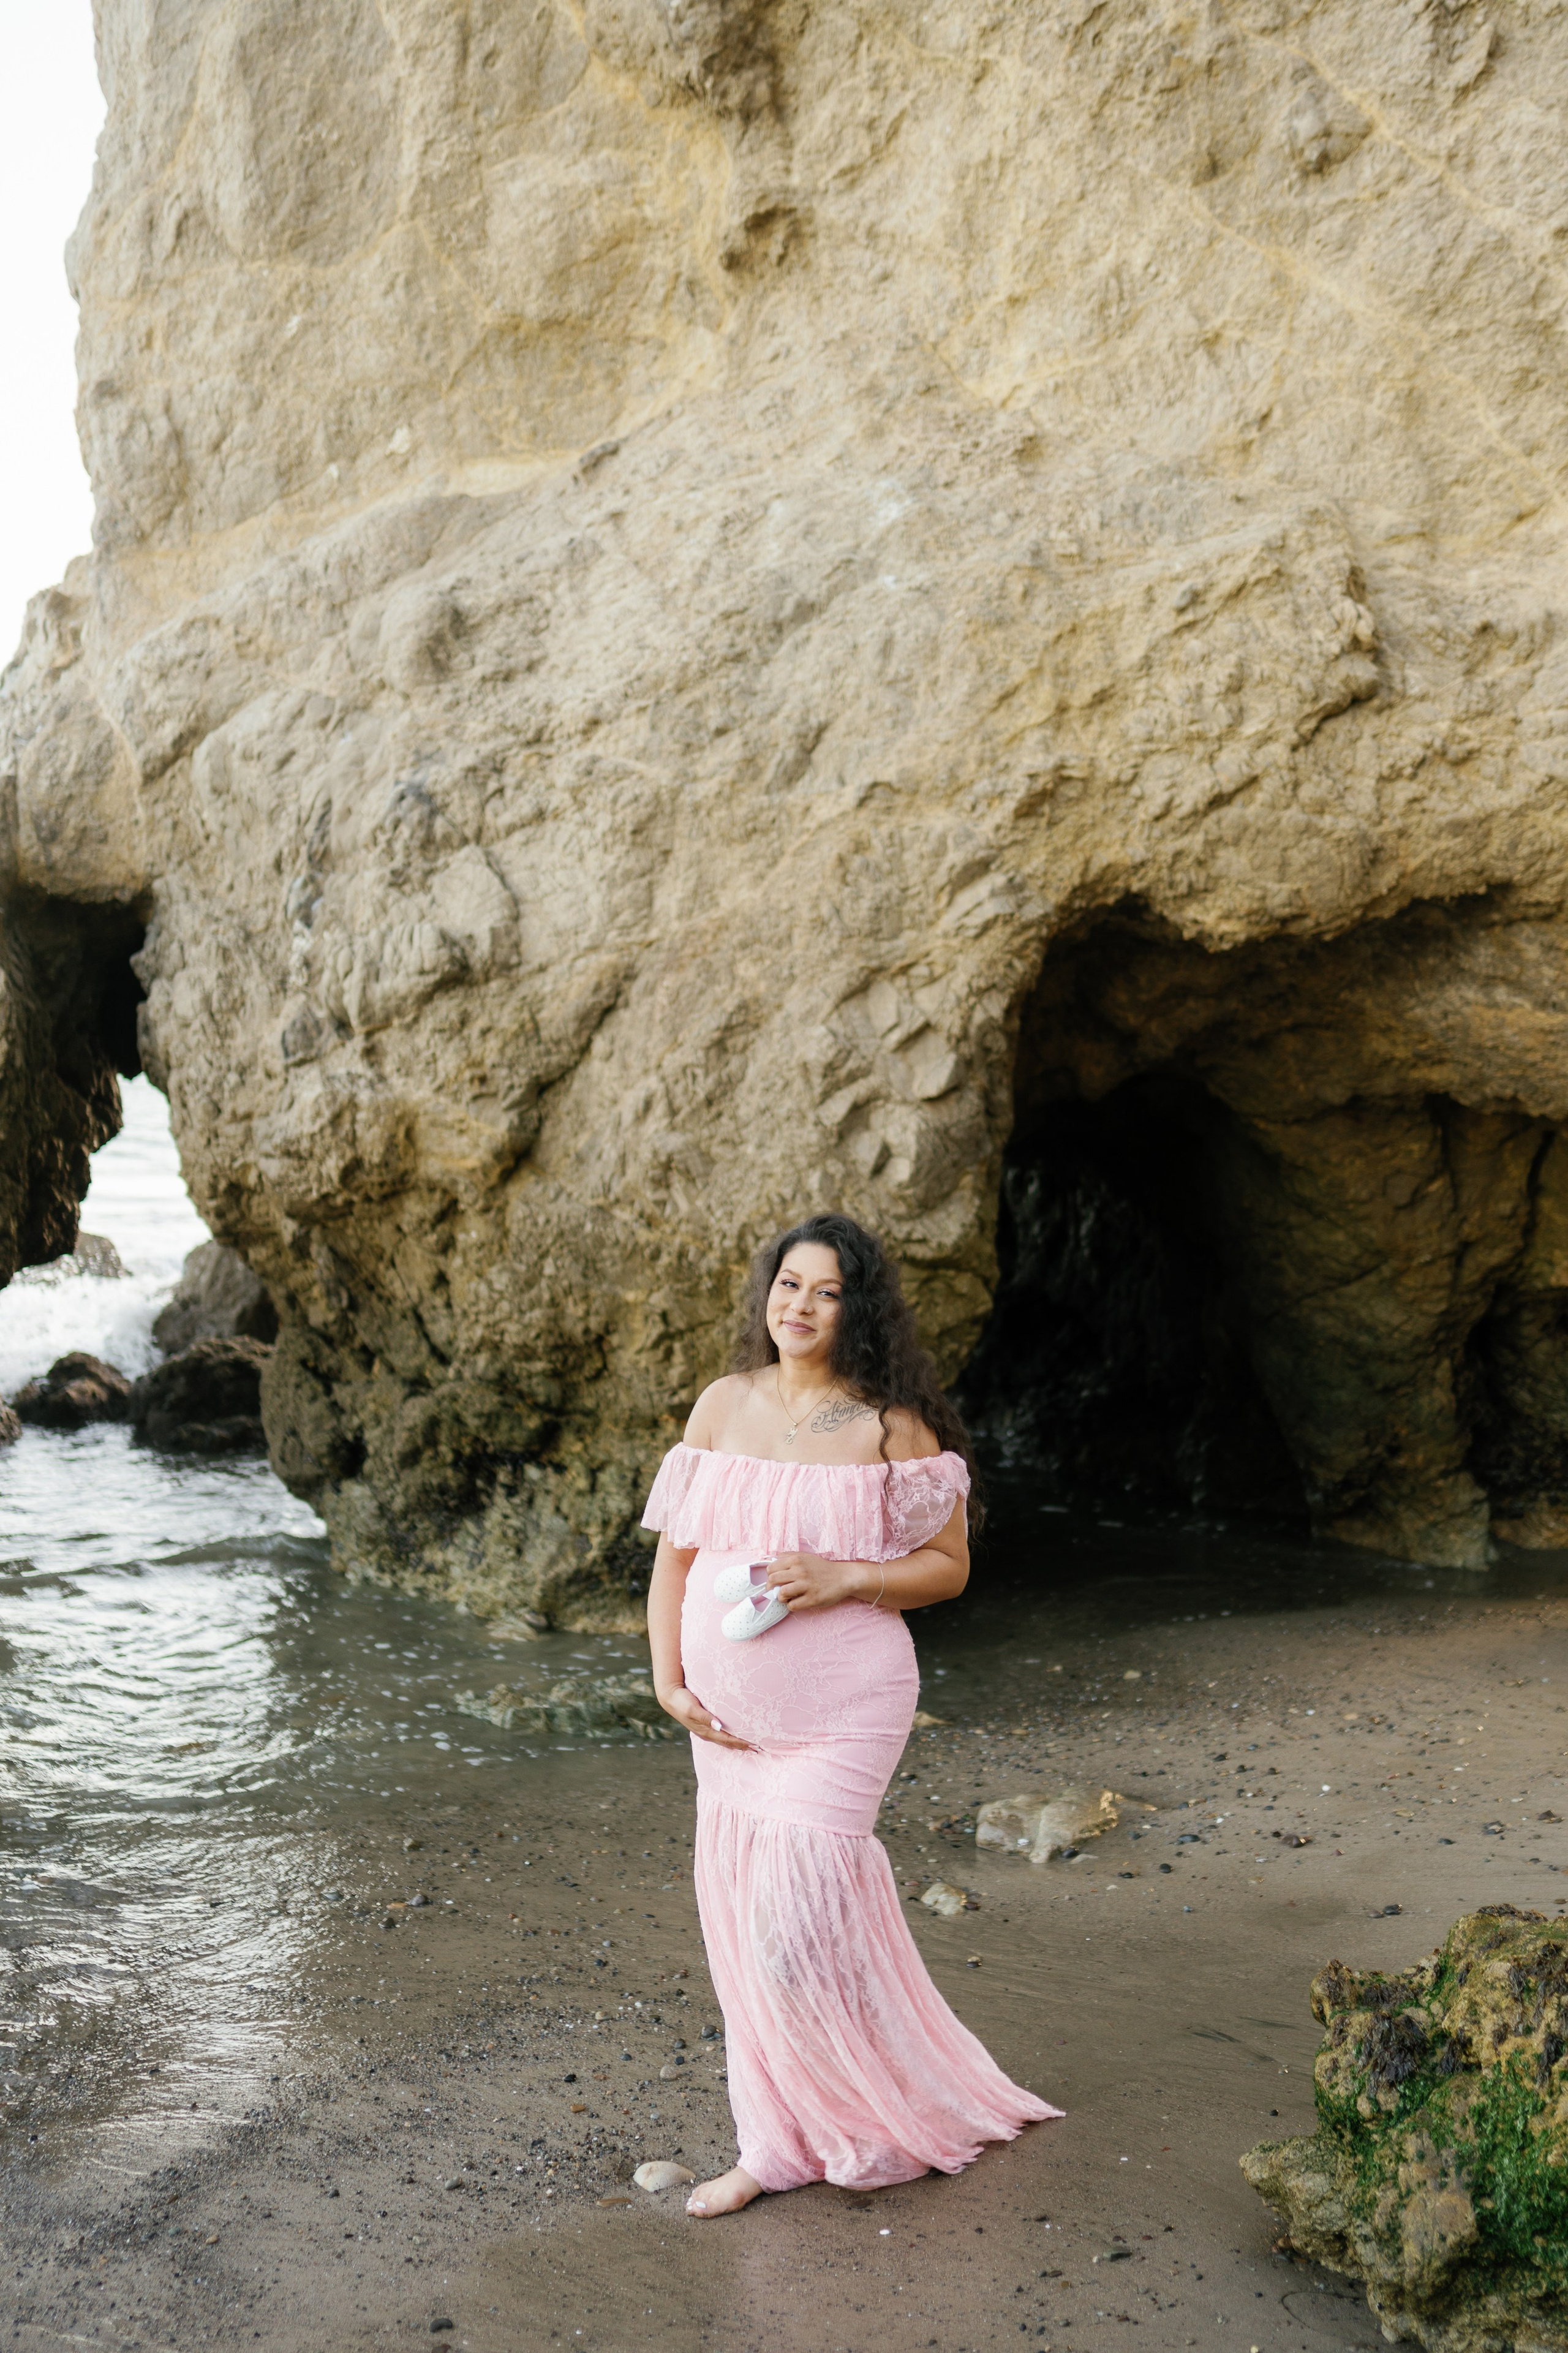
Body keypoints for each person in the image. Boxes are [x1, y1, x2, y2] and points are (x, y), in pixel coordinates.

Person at [643, 1211, 1061, 2218]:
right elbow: (675, 1563)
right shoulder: (721, 1404)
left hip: (844, 1713)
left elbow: (949, 1568)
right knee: (743, 1928)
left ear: (856, 1307)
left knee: (791, 1924)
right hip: (729, 1733)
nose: (801, 1305)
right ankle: (772, 2139)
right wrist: (667, 1678)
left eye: (827, 1291)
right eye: (790, 1284)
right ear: (767, 1291)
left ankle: (849, 2118)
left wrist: (845, 1576)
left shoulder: (889, 1425)